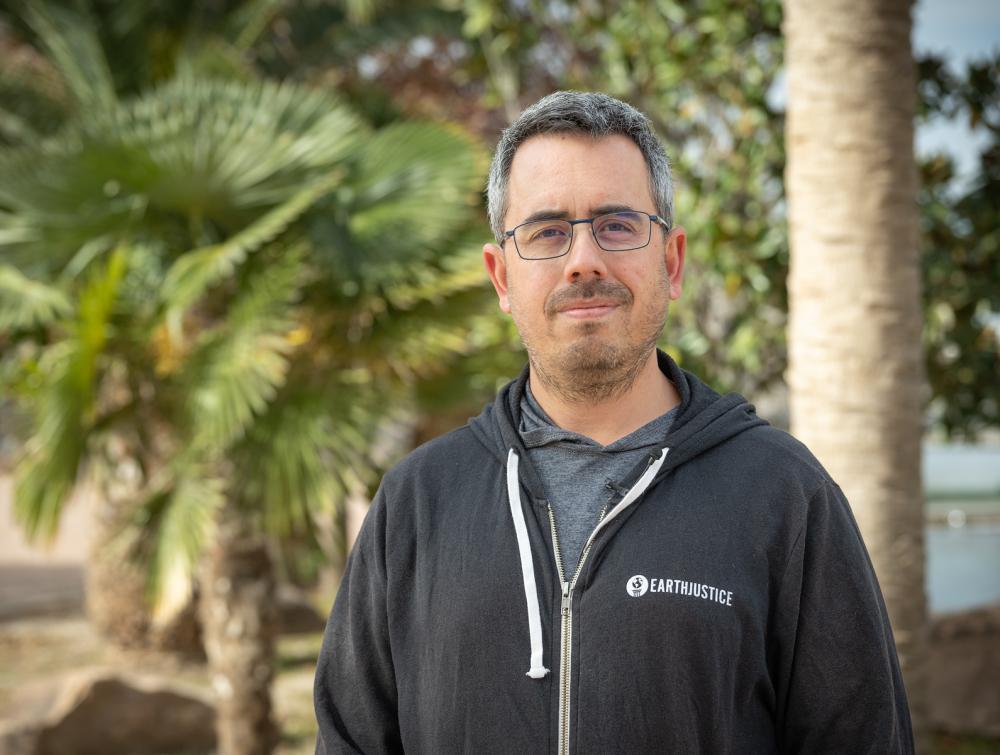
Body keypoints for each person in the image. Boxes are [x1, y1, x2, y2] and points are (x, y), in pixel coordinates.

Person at [313, 91, 914, 754]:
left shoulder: (785, 494)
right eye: (546, 232)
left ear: (672, 261)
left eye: (618, 225)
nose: (583, 260)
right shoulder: (418, 503)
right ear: (501, 276)